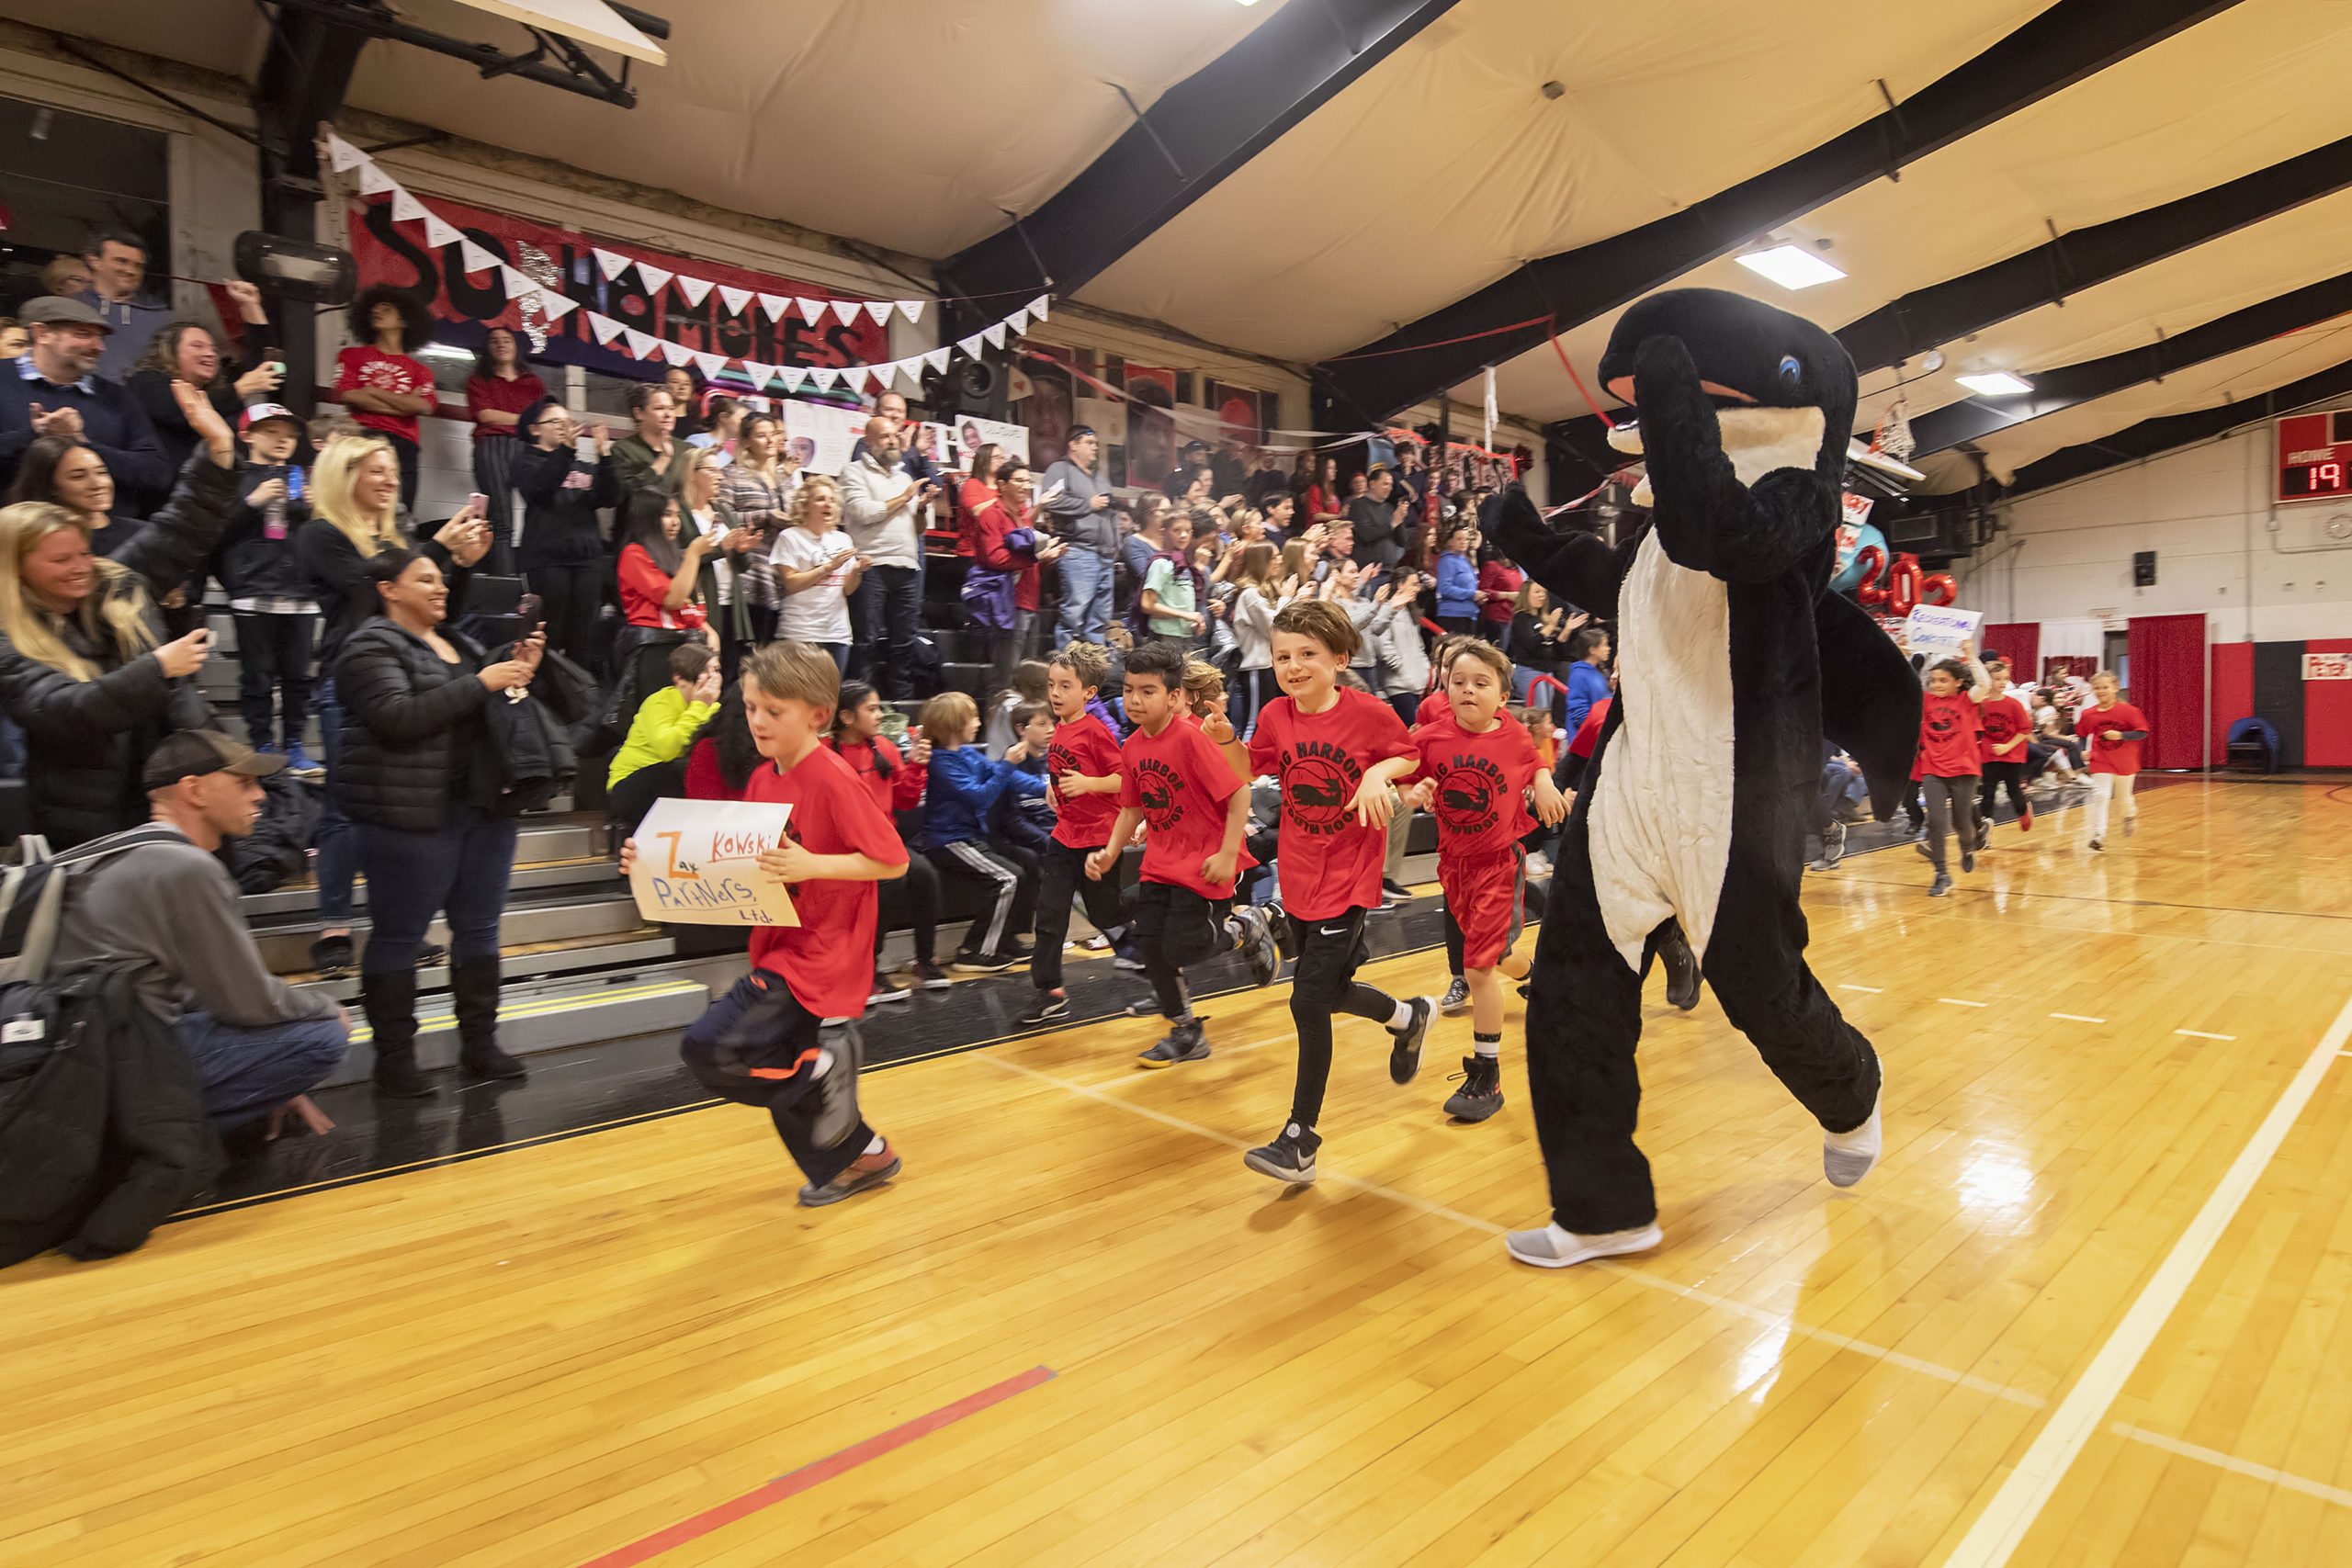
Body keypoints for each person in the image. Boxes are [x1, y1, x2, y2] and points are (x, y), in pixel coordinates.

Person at [628, 642, 909, 1208]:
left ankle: (827, 1073)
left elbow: (893, 859)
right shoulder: (762, 779)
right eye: (752, 706)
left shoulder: (831, 778)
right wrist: (652, 864)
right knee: (771, 1070)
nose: (757, 720)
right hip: (777, 945)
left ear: (817, 715)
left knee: (711, 1048)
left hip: (819, 956)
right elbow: (735, 865)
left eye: (772, 711)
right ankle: (862, 1155)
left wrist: (813, 865)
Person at [49, 729, 349, 1137]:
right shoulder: (186, 868)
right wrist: (326, 1008)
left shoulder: (129, 849)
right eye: (243, 782)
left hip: (80, 1052)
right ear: (195, 790)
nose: (260, 795)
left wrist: (268, 1079)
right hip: (112, 1062)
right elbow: (249, 1001)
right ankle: (156, 1141)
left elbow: (199, 991)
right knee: (322, 1035)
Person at [336, 547, 544, 1094]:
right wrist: (483, 683)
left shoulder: (461, 642)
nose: (440, 587)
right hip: (410, 815)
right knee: (400, 937)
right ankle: (395, 1062)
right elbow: (396, 718)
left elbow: (484, 710)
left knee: (480, 930)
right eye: (424, 579)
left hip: (484, 808)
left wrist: (519, 673)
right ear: (388, 588)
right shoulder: (366, 646)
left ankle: (480, 1046)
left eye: (440, 579)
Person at [1240, 600, 1434, 1182]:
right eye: (1282, 656)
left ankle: (1300, 1141)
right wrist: (1221, 739)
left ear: (1340, 659)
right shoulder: (1276, 715)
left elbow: (1411, 755)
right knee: (1330, 991)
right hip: (1298, 873)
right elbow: (1245, 767)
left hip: (1348, 878)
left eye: (1307, 655)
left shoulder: (1370, 712)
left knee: (1306, 1000)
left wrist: (1377, 773)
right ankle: (1406, 1017)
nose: (1293, 666)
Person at [0, 382, 233, 848]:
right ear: (19, 569)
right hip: (90, 824)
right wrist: (159, 668)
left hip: (174, 798)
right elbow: (69, 710)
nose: (80, 568)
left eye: (83, 553)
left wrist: (218, 449)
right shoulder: (9, 640)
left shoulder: (111, 580)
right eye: (60, 560)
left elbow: (180, 528)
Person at [296, 434, 492, 976]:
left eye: (393, 473)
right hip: (354, 680)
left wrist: (462, 564)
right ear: (343, 476)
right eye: (376, 471)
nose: (389, 480)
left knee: (406, 810)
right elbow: (375, 592)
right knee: (343, 808)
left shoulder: (397, 536)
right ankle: (335, 925)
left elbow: (434, 606)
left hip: (418, 676)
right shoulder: (320, 534)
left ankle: (404, 921)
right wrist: (438, 552)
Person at [1084, 640, 1282, 1065]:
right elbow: (1132, 807)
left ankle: (1249, 925)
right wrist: (1110, 850)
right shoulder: (1133, 746)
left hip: (1205, 865)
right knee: (1151, 947)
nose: (1135, 700)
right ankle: (1187, 1030)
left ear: (1175, 697)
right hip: (1160, 864)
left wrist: (1229, 854)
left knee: (1184, 948)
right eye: (1129, 690)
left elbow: (1238, 794)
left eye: (1147, 691)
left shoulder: (1192, 740)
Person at [1403, 640, 1563, 1120]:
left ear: (1501, 695)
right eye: (1459, 683)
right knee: (1499, 954)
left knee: (1476, 969)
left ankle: (1487, 1076)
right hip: (1452, 866)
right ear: (1445, 688)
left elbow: (1534, 763)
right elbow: (1404, 780)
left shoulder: (1513, 736)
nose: (1468, 691)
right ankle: (1539, 980)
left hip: (1498, 863)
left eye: (1481, 683)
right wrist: (1415, 791)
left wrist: (1545, 782)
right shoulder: (1430, 738)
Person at [1018, 641, 1136, 1025]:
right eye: (1052, 685)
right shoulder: (1060, 729)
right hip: (1064, 837)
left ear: (1087, 692)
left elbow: (1124, 781)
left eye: (1065, 686)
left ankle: (1155, 910)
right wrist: (1054, 787)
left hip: (1098, 838)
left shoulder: (1096, 730)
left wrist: (1087, 785)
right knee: (1049, 914)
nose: (1054, 692)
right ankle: (1050, 991)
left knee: (1107, 911)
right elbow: (1064, 770)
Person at [823, 681, 948, 1000]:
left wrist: (918, 765)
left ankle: (925, 960)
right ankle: (866, 970)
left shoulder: (885, 748)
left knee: (925, 876)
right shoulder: (825, 753)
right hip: (844, 849)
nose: (880, 715)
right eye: (872, 709)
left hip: (882, 842)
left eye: (880, 707)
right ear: (847, 717)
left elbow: (905, 801)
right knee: (888, 881)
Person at [217, 403, 322, 774]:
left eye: (290, 435)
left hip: (301, 593)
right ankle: (262, 742)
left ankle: (293, 744)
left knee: (298, 677)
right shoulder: (232, 476)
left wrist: (316, 509)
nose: (283, 440)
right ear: (247, 436)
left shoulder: (302, 478)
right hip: (253, 591)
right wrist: (251, 503)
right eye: (272, 432)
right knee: (257, 675)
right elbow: (215, 532)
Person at [915, 689, 1044, 973]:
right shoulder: (941, 763)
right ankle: (975, 951)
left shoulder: (966, 755)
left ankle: (1002, 940)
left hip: (969, 838)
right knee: (1008, 879)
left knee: (1023, 868)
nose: (977, 723)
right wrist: (1008, 764)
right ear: (953, 724)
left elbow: (1006, 776)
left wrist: (1049, 790)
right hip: (948, 841)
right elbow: (981, 796)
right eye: (972, 717)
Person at [0, 296, 170, 503]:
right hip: (17, 528)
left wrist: (83, 444)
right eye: (83, 334)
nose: (99, 347)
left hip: (107, 530)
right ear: (42, 333)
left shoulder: (117, 397)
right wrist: (33, 435)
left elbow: (157, 472)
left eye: (99, 338)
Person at [125, 288, 280, 481]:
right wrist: (241, 388)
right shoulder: (146, 381)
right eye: (197, 346)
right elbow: (175, 410)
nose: (210, 354)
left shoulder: (220, 394)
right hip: (165, 498)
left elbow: (263, 363)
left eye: (213, 349)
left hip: (217, 494)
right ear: (170, 351)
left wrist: (251, 305)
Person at [513, 400, 616, 667]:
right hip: (547, 559)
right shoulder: (525, 462)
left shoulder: (582, 466)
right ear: (535, 429)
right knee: (550, 633)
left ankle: (578, 698)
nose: (564, 427)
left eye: (566, 421)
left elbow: (611, 497)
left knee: (582, 636)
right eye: (555, 421)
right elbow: (540, 489)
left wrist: (604, 456)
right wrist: (566, 452)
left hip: (587, 560)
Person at [840, 416, 933, 696]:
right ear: (867, 441)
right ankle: (859, 702)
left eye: (894, 436)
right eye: (884, 436)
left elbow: (918, 529)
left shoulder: (905, 477)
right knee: (865, 640)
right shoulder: (853, 472)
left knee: (904, 641)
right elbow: (863, 513)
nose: (892, 441)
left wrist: (920, 509)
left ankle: (901, 705)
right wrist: (905, 499)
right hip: (872, 566)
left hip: (907, 565)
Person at [333, 286, 437, 509]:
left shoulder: (420, 370)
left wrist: (373, 391)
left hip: (404, 444)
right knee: (354, 508)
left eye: (386, 309)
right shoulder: (351, 355)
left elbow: (425, 406)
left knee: (399, 511)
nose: (377, 312)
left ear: (404, 319)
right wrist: (403, 406)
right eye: (374, 309)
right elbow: (348, 394)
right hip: (361, 437)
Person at [615, 485, 718, 707]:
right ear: (647, 518)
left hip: (683, 646)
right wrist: (693, 554)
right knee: (660, 717)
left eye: (677, 515)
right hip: (654, 650)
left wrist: (707, 629)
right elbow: (672, 599)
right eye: (666, 515)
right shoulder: (634, 553)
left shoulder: (672, 554)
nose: (675, 522)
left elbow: (688, 605)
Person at [463, 325, 546, 570]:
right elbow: (486, 415)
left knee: (541, 515)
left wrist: (523, 422)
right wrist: (525, 420)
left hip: (526, 447)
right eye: (495, 341)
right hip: (492, 446)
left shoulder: (533, 382)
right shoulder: (478, 380)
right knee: (502, 520)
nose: (501, 344)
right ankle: (506, 586)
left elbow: (540, 420)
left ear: (515, 346)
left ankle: (535, 582)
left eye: (506, 340)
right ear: (488, 349)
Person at [763, 473, 864, 671]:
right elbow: (790, 584)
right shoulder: (790, 537)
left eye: (832, 500)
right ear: (805, 506)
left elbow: (848, 590)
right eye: (820, 499)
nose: (828, 504)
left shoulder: (843, 540)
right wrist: (827, 568)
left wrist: (858, 571)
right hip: (800, 634)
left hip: (837, 634)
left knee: (828, 701)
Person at [680, 446, 765, 670]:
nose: (720, 476)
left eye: (720, 471)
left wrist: (741, 549)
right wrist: (721, 548)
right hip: (700, 605)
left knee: (730, 672)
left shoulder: (723, 510)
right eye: (712, 471)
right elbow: (678, 558)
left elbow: (740, 566)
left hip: (732, 603)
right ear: (692, 473)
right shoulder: (679, 512)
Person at [721, 410, 798, 635]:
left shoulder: (784, 479)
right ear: (745, 442)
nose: (770, 440)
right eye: (761, 435)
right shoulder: (731, 474)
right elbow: (722, 517)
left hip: (781, 571)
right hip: (750, 570)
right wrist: (765, 516)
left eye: (773, 434)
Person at [1039, 425, 1116, 646]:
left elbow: (1111, 512)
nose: (1095, 448)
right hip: (1078, 550)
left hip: (1105, 555)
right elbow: (1050, 500)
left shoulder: (1100, 478)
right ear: (1073, 444)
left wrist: (1116, 543)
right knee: (1074, 614)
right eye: (1089, 443)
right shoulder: (1059, 469)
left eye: (1096, 444)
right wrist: (1087, 504)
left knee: (1100, 618)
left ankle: (1094, 667)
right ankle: (1065, 665)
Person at [609, 641, 720, 792]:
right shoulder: (658, 702)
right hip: (629, 782)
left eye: (716, 670)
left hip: (669, 782)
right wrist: (699, 705)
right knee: (682, 767)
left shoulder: (715, 707)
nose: (713, 678)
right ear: (679, 679)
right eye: (705, 672)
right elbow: (668, 750)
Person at [1914, 657, 1983, 897]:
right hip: (1933, 769)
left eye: (1943, 680)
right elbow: (1904, 681)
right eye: (1933, 680)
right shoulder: (1926, 700)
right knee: (1935, 821)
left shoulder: (1967, 700)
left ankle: (1967, 846)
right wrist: (1903, 653)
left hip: (1964, 771)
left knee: (1961, 822)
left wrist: (1971, 655)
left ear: (1958, 682)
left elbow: (1984, 685)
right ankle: (1941, 874)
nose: (1937, 684)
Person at [71, 231, 175, 383]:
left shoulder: (165, 319)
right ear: (94, 261)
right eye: (121, 261)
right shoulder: (69, 309)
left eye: (138, 266)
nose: (131, 271)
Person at [2079, 670, 2149, 851]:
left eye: (2105, 687)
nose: (2101, 691)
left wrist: (2120, 735)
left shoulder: (2129, 711)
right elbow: (2081, 733)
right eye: (2097, 688)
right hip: (2100, 760)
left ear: (2115, 688)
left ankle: (2129, 815)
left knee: (2124, 798)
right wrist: (2082, 750)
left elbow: (2141, 732)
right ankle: (2098, 836)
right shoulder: (2089, 714)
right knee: (2100, 795)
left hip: (2124, 762)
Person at [1973, 658, 2034, 847]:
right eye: (1997, 678)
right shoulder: (1981, 704)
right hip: (1989, 756)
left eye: (2004, 679)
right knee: (1988, 794)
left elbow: (2025, 731)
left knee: (2013, 792)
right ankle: (1984, 834)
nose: (2001, 682)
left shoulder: (2013, 704)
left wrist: (2007, 746)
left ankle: (2023, 810)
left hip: (2011, 756)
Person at [610, 381, 689, 503]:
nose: (668, 414)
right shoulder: (623, 449)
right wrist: (664, 459)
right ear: (639, 413)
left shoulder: (687, 449)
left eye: (671, 408)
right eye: (659, 408)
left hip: (680, 521)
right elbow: (623, 495)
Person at [1349, 466, 1412, 570]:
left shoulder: (1390, 508)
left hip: (1390, 569)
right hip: (1370, 571)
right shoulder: (1358, 505)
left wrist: (1400, 519)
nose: (1390, 488)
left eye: (1391, 485)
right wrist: (1393, 524)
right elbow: (1366, 534)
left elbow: (1402, 541)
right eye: (1385, 484)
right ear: (1372, 484)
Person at [1561, 625, 1612, 732]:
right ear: (1592, 650)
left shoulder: (1599, 672)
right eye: (1605, 645)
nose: (1608, 649)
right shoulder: (1578, 675)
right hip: (1587, 738)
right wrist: (1597, 729)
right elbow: (1578, 711)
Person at [1431, 524, 1479, 636]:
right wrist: (1472, 594)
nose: (1463, 542)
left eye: (1466, 539)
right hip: (1453, 616)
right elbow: (1445, 588)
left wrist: (1478, 597)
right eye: (1459, 539)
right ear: (1450, 542)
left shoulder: (1465, 561)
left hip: (1469, 614)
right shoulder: (1447, 561)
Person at [1476, 549, 1521, 645]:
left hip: (1514, 617)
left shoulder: (1516, 567)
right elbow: (1483, 590)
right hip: (1498, 617)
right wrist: (1507, 595)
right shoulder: (1492, 566)